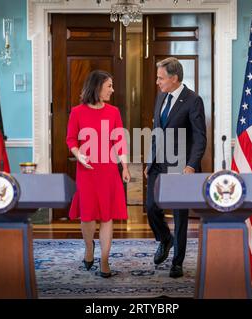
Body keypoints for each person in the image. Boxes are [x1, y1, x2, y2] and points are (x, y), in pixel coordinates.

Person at [144, 57, 206, 278]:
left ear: (174, 78)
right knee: (151, 207)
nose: (157, 82)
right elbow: (156, 132)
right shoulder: (161, 97)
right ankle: (165, 239)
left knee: (180, 216)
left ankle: (177, 262)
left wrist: (191, 165)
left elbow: (200, 138)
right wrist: (149, 160)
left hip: (181, 167)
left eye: (160, 78)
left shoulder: (193, 100)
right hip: (158, 164)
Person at [66, 70, 131, 278]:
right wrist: (79, 155)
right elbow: (71, 140)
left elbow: (119, 141)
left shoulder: (114, 112)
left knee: (106, 215)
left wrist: (125, 167)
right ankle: (88, 248)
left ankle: (104, 260)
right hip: (87, 171)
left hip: (109, 170)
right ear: (97, 87)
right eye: (109, 86)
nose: (112, 90)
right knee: (87, 216)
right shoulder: (77, 112)